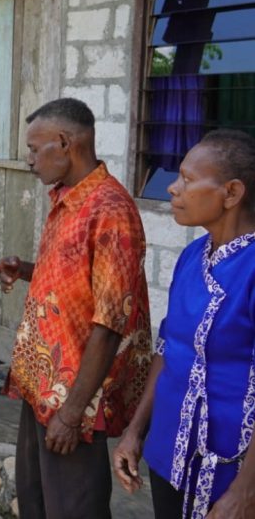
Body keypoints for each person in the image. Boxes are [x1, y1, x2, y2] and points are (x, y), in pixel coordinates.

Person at [0, 97, 151, 519]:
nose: (28, 160)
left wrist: (73, 410)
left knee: (74, 508)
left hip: (76, 398)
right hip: (41, 385)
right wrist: (23, 269)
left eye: (33, 148)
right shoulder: (67, 197)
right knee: (38, 502)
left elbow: (111, 322)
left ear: (64, 142)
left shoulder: (111, 211)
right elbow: (75, 277)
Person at [112, 130, 255, 519]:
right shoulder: (192, 256)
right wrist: (135, 432)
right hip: (170, 453)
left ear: (231, 192)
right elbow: (169, 349)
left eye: (188, 180)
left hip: (233, 469)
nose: (173, 189)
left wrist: (246, 490)